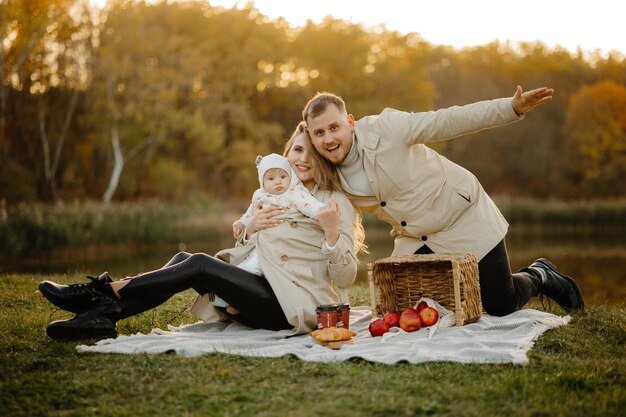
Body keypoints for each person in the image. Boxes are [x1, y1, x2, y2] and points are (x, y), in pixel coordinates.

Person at [38, 122, 363, 340]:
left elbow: (347, 276)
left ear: (322, 157)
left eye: (309, 151)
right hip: (259, 292)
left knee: (199, 265)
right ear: (285, 155)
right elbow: (258, 253)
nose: (301, 159)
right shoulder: (275, 189)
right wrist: (248, 230)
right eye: (296, 150)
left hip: (290, 307)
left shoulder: (330, 202)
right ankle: (103, 316)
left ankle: (105, 294)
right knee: (184, 257)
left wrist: (331, 231)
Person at [302, 86, 584, 316]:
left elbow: (447, 120)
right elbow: (289, 181)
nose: (328, 138)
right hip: (416, 236)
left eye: (334, 127)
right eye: (319, 133)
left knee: (500, 304)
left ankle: (540, 275)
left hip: (461, 214)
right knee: (398, 309)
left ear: (350, 122)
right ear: (311, 137)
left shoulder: (388, 127)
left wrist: (509, 108)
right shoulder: (325, 172)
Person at [232, 153, 326, 239]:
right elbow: (250, 213)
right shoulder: (259, 195)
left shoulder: (294, 193)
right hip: (262, 242)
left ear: (290, 176)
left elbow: (309, 204)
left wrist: (322, 211)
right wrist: (242, 223)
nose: (278, 182)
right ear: (262, 182)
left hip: (285, 239)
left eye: (283, 176)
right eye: (271, 178)